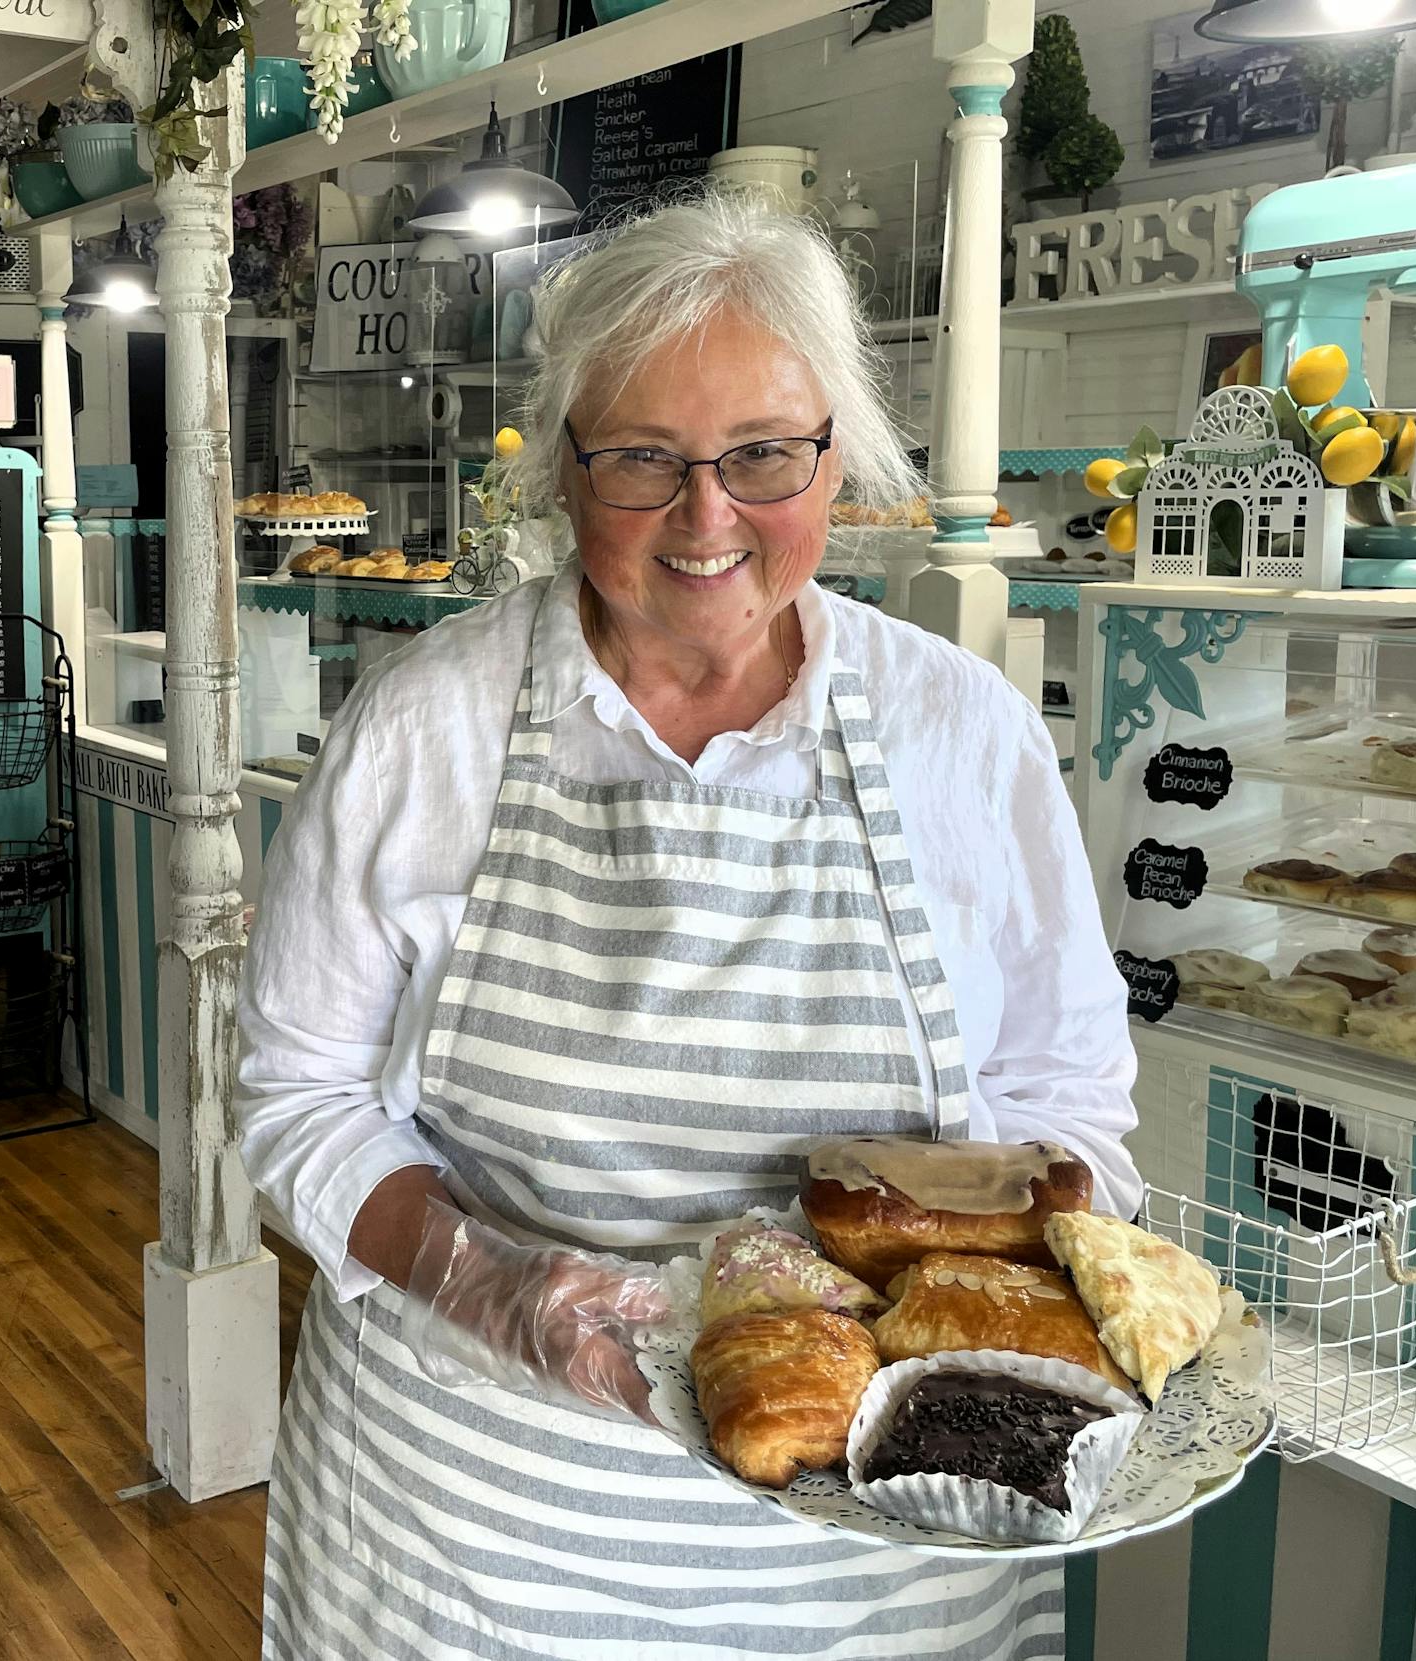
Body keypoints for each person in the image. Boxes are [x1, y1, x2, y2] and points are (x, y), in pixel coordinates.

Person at [238, 186, 1140, 1661]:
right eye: (646, 460)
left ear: (839, 459)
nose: (708, 516)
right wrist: (489, 1278)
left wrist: (1026, 1293)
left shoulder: (961, 734)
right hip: (476, 1548)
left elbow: (1068, 1101)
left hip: (872, 1572)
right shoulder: (428, 725)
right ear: (568, 472)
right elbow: (297, 1095)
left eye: (765, 456)